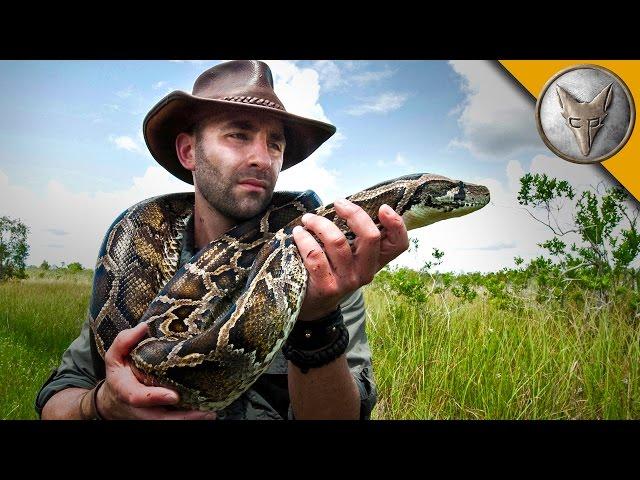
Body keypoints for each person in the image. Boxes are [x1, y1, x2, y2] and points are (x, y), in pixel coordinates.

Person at [36, 60, 409, 420]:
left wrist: (316, 322)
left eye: (275, 144)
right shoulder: (133, 259)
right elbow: (58, 399)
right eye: (238, 135)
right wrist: (100, 405)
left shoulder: (325, 265)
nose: (262, 158)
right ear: (188, 152)